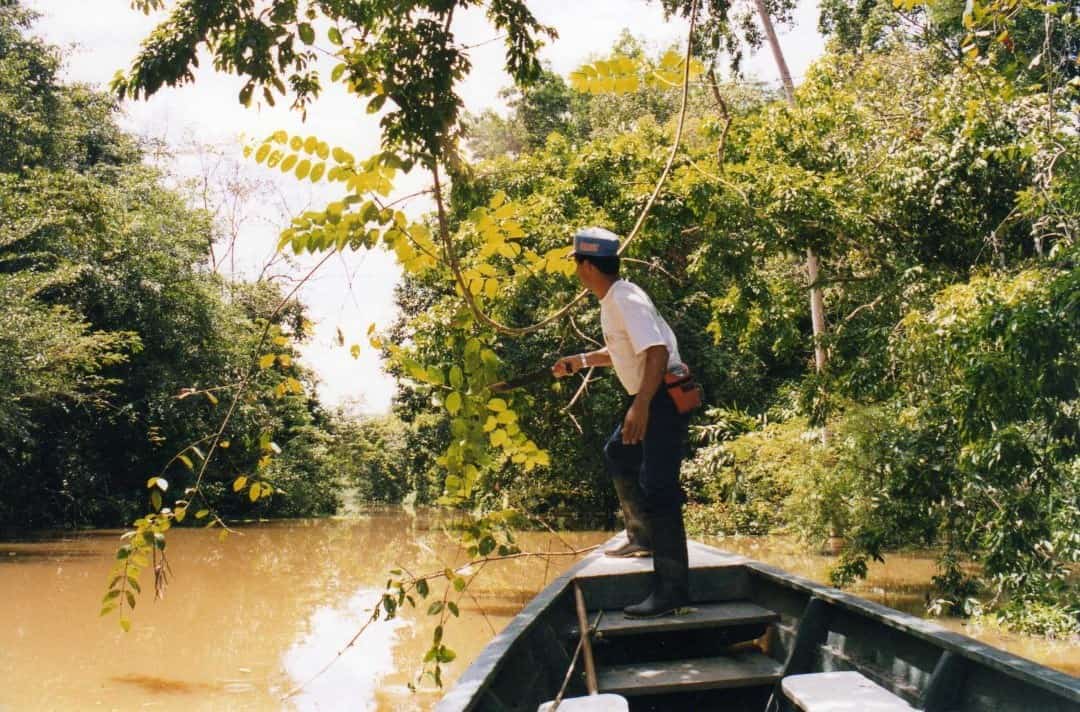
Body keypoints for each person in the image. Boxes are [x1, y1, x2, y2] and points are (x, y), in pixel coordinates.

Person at [552, 226, 692, 618]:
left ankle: (671, 592)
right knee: (619, 452)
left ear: (587, 266)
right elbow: (624, 350)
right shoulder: (616, 298)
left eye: (578, 264)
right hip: (653, 394)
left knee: (659, 487)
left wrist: (642, 404)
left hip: (661, 396)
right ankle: (642, 537)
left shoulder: (624, 299)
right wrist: (579, 362)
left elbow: (657, 350)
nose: (577, 272)